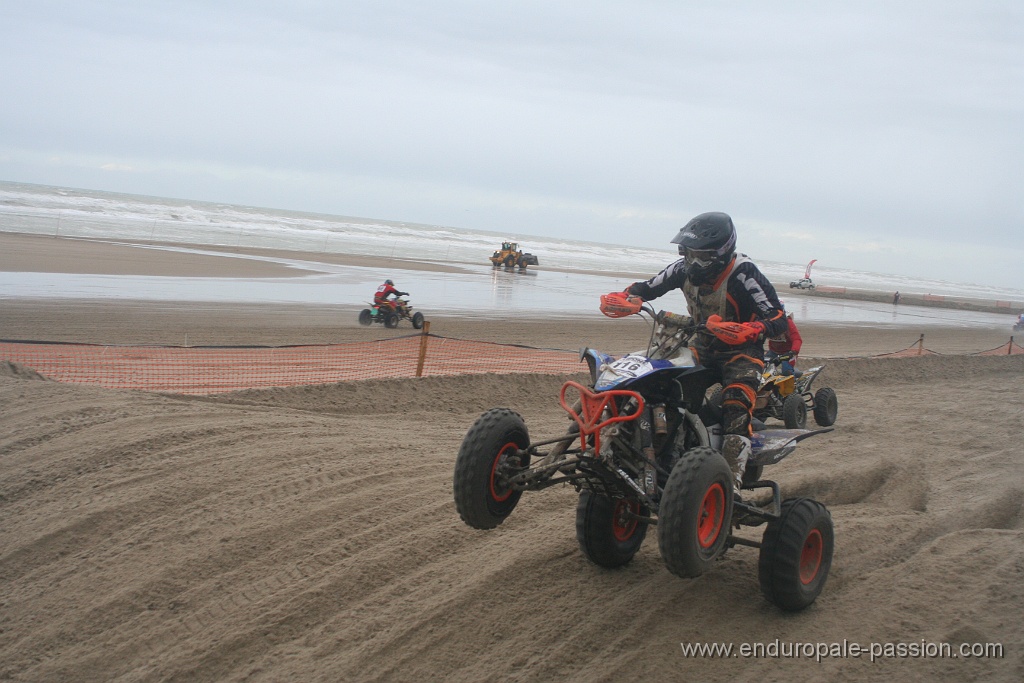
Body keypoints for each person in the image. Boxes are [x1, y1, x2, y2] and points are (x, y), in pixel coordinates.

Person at [613, 211, 787, 495]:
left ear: (722, 252)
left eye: (702, 256)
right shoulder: (682, 269)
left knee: (736, 403)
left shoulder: (743, 273)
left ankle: (730, 482)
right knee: (664, 384)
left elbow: (778, 316)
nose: (694, 262)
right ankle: (667, 450)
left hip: (742, 351)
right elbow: (647, 288)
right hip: (701, 343)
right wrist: (624, 298)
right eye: (688, 253)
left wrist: (752, 329)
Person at [768, 311, 803, 377]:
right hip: (773, 351)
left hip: (788, 352)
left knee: (787, 371)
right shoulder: (765, 322)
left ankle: (793, 385)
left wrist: (793, 352)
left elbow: (797, 339)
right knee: (762, 368)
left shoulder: (788, 323)